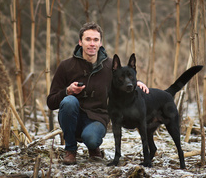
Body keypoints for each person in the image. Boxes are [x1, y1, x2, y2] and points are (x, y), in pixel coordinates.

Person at [46, 22, 148, 165]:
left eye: (96, 40)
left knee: (91, 138)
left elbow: (125, 78)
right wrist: (67, 91)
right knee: (69, 102)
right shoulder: (66, 66)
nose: (92, 44)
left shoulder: (110, 66)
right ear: (80, 42)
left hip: (97, 117)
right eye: (88, 39)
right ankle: (70, 150)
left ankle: (94, 148)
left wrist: (137, 83)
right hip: (72, 116)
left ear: (100, 43)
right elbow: (51, 102)